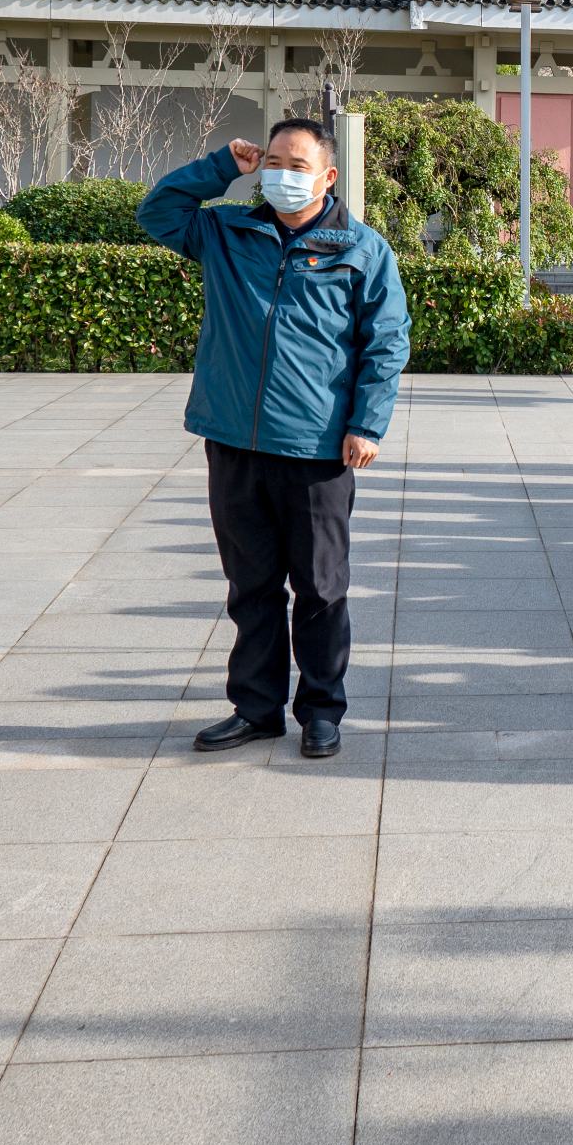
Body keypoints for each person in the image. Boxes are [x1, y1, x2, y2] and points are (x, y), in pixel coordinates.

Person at [140, 119, 411, 759]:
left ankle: (321, 710)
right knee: (252, 586)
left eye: (298, 164)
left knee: (320, 588)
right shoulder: (227, 231)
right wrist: (218, 169)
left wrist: (367, 423)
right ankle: (257, 709)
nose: (284, 175)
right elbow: (158, 212)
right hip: (233, 438)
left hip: (317, 449)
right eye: (275, 162)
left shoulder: (361, 249)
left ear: (328, 176)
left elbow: (387, 343)